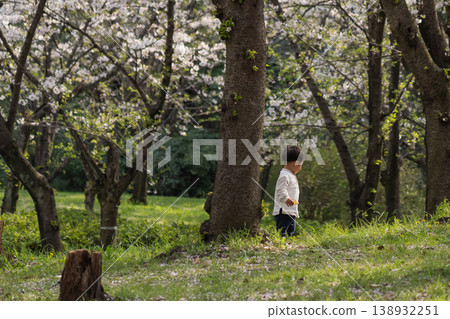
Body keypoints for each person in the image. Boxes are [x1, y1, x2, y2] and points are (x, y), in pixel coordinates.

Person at [273, 145, 304, 236]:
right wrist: (286, 198)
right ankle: (281, 243)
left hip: (291, 211)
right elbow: (281, 189)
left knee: (291, 230)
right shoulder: (285, 175)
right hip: (283, 211)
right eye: (300, 165)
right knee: (282, 230)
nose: (300, 168)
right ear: (296, 163)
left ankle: (288, 244)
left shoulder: (290, 175)